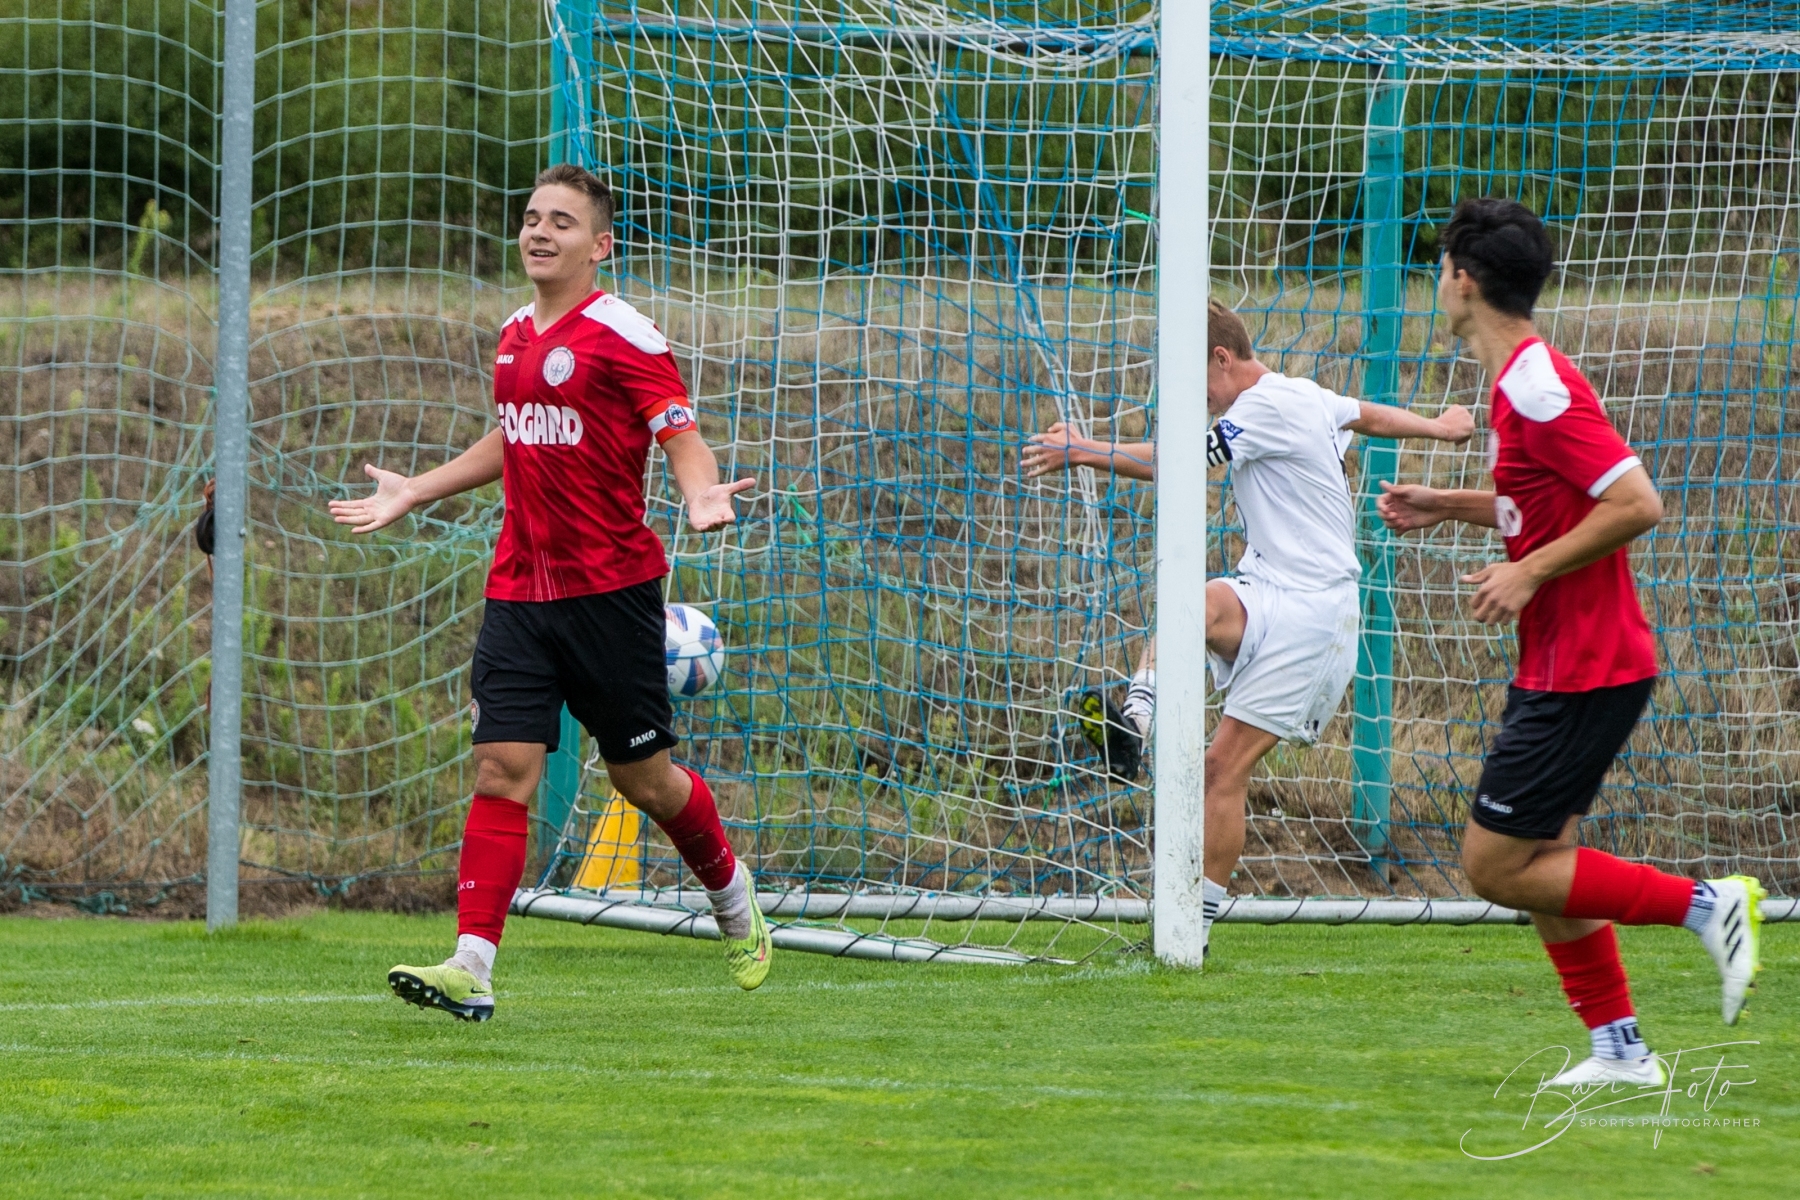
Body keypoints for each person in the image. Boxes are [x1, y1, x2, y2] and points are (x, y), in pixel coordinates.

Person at [328, 164, 771, 1021]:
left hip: (611, 594)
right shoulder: (512, 335)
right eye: (532, 217)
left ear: (599, 246)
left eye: (561, 222)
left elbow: (679, 434)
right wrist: (417, 488)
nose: (539, 231)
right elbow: (514, 437)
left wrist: (701, 494)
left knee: (645, 782)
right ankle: (472, 966)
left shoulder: (626, 334)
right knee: (502, 768)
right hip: (519, 592)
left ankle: (729, 890)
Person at [1378, 197, 1764, 1086]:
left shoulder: (1534, 386)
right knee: (1549, 861)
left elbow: (1636, 503)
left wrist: (1529, 572)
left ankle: (1709, 906)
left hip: (1586, 666)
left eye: (1439, 270)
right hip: (1574, 662)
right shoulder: (1519, 379)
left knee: (1494, 866)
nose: (1437, 284)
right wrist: (1450, 506)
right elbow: (1547, 501)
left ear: (1462, 281)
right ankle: (1620, 1050)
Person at [1024, 301, 1475, 950]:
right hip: (1268, 590)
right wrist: (1439, 426)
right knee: (1193, 603)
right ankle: (1135, 724)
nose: (1193, 398)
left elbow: (1176, 463)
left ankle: (1195, 929)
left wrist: (1083, 450)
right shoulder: (1302, 393)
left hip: (1315, 617)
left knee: (1219, 770)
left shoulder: (1266, 407)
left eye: (1194, 380)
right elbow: (1366, 415)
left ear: (1221, 357)